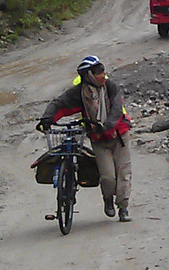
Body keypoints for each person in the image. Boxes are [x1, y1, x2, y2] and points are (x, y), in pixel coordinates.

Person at [38, 55, 133, 221]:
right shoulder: (80, 93)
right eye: (99, 72)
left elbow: (117, 110)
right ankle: (108, 199)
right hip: (98, 139)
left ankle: (123, 208)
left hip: (119, 136)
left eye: (103, 71)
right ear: (89, 75)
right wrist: (47, 119)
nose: (103, 74)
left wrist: (107, 125)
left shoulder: (111, 87)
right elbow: (59, 103)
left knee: (123, 174)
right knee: (108, 177)